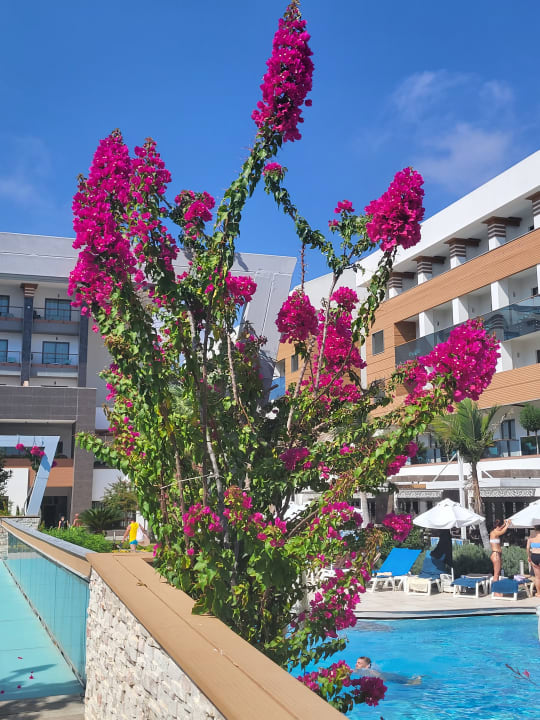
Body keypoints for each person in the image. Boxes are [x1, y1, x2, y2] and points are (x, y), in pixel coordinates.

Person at [354, 656, 422, 685]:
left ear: (367, 666)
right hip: (387, 675)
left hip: (387, 676)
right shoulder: (361, 671)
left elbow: (381, 677)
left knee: (410, 682)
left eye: (359, 663)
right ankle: (416, 678)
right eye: (356, 662)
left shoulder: (369, 671)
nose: (356, 664)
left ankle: (416, 679)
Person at [490, 518, 510, 583]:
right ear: (496, 527)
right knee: (496, 574)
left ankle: (496, 587)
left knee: (497, 573)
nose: (500, 528)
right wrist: (507, 524)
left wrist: (504, 524)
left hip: (496, 554)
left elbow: (500, 529)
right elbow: (502, 531)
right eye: (499, 526)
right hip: (496, 555)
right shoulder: (494, 533)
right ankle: (495, 588)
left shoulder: (494, 532)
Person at [526, 524, 540, 597]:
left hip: (534, 556)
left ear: (535, 529)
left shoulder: (531, 538)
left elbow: (527, 548)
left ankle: (538, 593)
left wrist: (529, 556)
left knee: (537, 577)